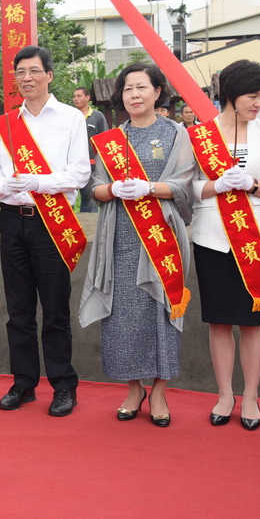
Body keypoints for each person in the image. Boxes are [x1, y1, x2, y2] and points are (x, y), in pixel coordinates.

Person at [78, 63, 194, 426]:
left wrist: (151, 188)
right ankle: (133, 388)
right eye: (128, 89)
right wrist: (113, 189)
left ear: (158, 91)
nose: (134, 95)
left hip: (162, 234)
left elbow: (185, 184)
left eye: (142, 87)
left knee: (162, 311)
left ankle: (159, 390)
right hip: (120, 236)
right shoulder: (111, 139)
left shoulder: (176, 134)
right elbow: (95, 188)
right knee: (123, 315)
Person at [0, 46, 90, 417]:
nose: (26, 78)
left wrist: (39, 182)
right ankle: (23, 382)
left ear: (49, 75)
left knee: (55, 308)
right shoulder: (7, 123)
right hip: (13, 220)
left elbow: (80, 173)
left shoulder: (70, 118)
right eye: (20, 72)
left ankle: (63, 386)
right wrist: (4, 185)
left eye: (33, 71)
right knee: (18, 310)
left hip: (52, 222)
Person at [189, 60, 260, 430]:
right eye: (252, 96)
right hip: (212, 239)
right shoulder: (200, 135)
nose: (258, 103)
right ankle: (224, 395)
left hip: (256, 239)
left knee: (251, 322)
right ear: (230, 95)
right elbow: (187, 185)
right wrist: (215, 185)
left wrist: (253, 184)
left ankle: (250, 396)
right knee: (218, 322)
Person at [73, 86, 108, 214]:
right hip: (71, 164)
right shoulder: (70, 115)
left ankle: (89, 222)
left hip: (91, 164)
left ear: (87, 97)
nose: (75, 99)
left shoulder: (97, 116)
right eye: (74, 96)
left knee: (89, 196)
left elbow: (104, 139)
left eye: (79, 96)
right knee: (69, 196)